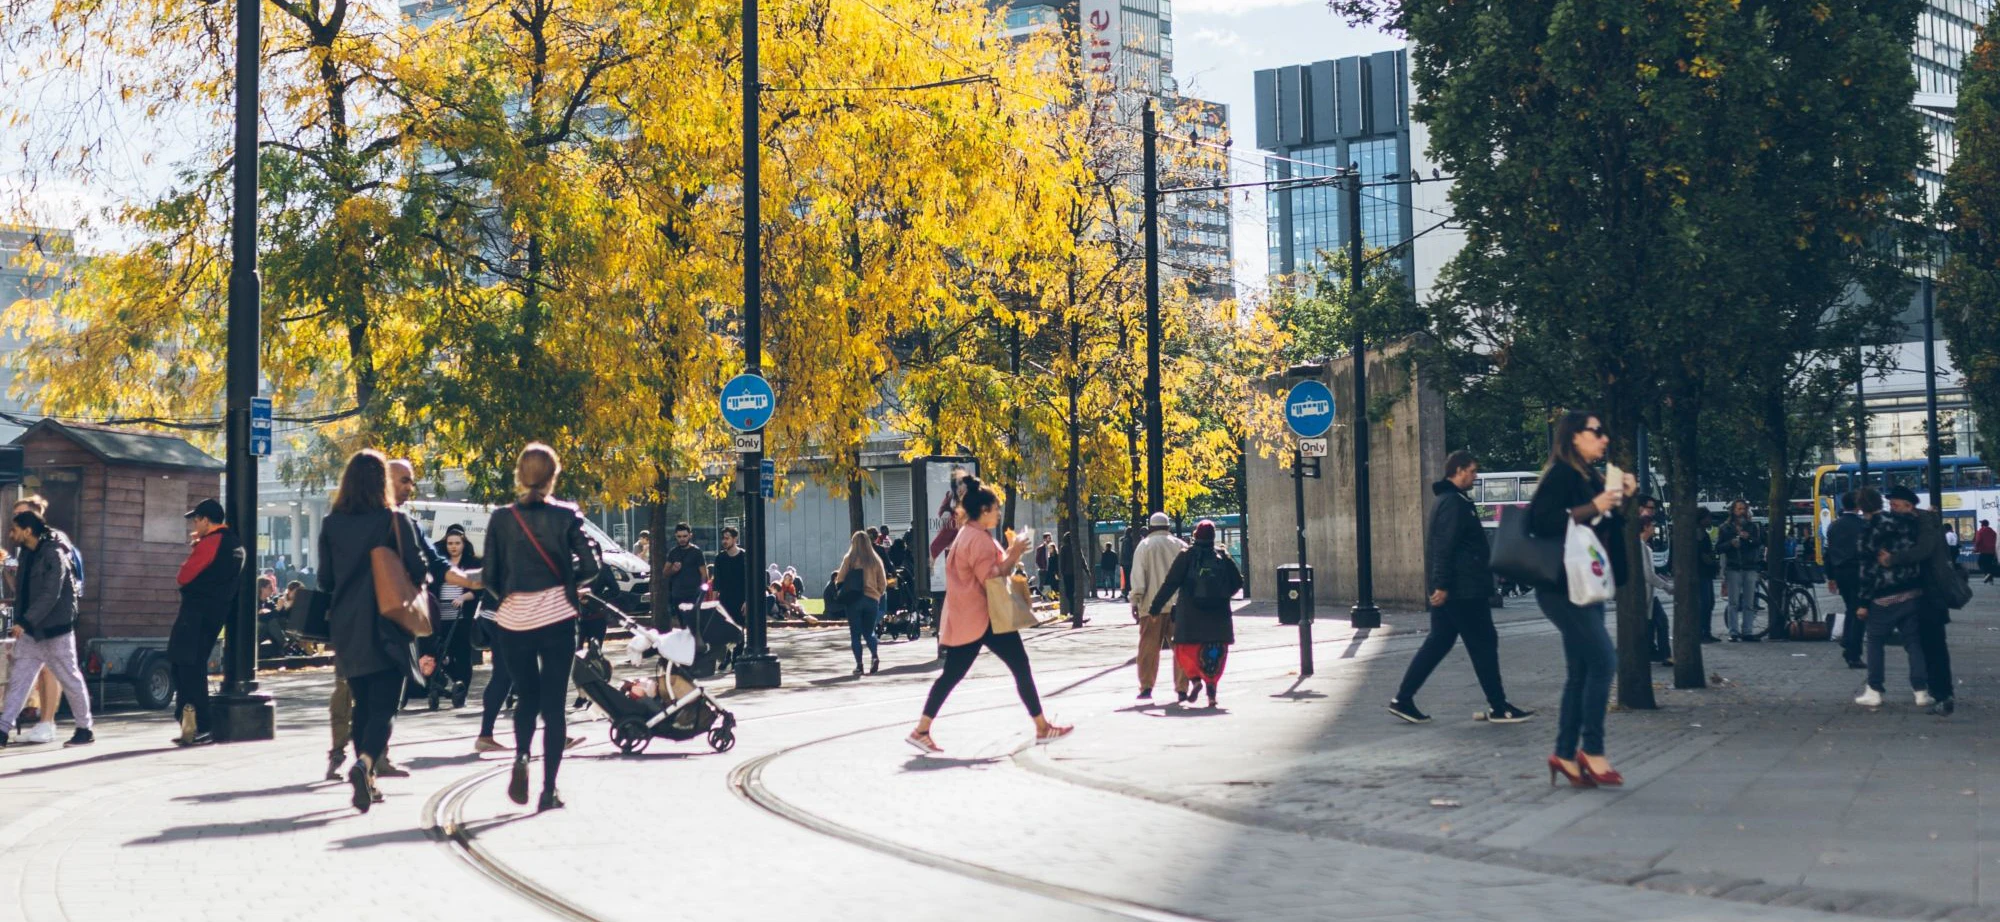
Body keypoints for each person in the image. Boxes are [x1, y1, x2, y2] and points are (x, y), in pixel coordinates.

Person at [907, 476, 1070, 752]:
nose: (997, 514)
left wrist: (1009, 552)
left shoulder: (967, 535)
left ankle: (922, 728)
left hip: (971, 617)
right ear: (983, 511)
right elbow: (990, 577)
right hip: (985, 617)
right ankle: (1042, 728)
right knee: (1018, 667)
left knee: (952, 675)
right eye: (995, 509)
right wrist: (1015, 553)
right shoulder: (979, 539)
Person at [480, 442, 600, 812]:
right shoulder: (567, 516)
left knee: (526, 695)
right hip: (557, 618)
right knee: (554, 703)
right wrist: (566, 580)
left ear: (519, 476)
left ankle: (520, 756)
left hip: (514, 619)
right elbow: (592, 566)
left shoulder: (501, 518)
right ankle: (549, 789)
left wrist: (511, 595)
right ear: (553, 477)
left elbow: (490, 576)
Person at [317, 450, 429, 812]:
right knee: (386, 706)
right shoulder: (393, 520)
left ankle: (369, 780)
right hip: (387, 622)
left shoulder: (332, 523)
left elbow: (325, 579)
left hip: (347, 626)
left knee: (362, 702)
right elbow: (418, 568)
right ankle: (365, 764)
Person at [1527, 411, 1633, 789]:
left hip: (1586, 583)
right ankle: (1593, 750)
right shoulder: (1562, 473)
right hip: (1562, 588)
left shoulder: (1590, 477)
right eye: (1597, 432)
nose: (1604, 439)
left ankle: (1565, 754)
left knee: (1581, 672)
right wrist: (1596, 505)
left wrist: (1616, 500)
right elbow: (1540, 521)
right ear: (1574, 436)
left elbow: (1602, 528)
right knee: (1605, 661)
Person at [1390, 450, 1534, 724]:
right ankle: (1499, 707)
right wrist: (1441, 584)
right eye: (1472, 471)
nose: (1475, 476)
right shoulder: (1453, 504)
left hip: (1457, 589)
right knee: (1484, 643)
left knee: (1439, 643)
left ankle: (1403, 699)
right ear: (1457, 470)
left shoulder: (1451, 501)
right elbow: (1444, 548)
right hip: (1464, 590)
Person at [0, 511, 93, 747]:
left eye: (15, 529)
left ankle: (84, 729)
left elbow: (51, 594)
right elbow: (24, 592)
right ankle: (2, 730)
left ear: (28, 531)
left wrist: (25, 622)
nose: (12, 534)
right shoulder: (28, 553)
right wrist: (21, 621)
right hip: (32, 632)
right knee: (19, 682)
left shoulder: (54, 552)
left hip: (56, 631)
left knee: (70, 679)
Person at [167, 498, 245, 747]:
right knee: (192, 663)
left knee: (186, 664)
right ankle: (194, 723)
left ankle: (199, 724)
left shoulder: (211, 542)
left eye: (196, 519)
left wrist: (196, 548)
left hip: (196, 612)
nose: (194, 523)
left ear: (206, 520)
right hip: (216, 612)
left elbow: (184, 575)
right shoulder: (235, 544)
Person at [1876, 487, 1957, 715]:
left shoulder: (1925, 523)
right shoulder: (1915, 521)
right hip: (1917, 593)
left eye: (1895, 505)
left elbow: (1924, 551)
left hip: (1929, 595)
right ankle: (1936, 691)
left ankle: (1942, 693)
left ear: (1909, 505)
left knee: (1933, 645)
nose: (1892, 509)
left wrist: (1892, 560)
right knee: (1924, 643)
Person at [1146, 520, 1242, 708]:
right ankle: (1212, 693)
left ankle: (1195, 680)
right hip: (1218, 617)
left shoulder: (1187, 555)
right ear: (1213, 537)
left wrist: (1155, 608)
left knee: (1183, 649)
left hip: (1190, 615)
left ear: (1196, 535)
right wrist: (1222, 595)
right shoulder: (1222, 555)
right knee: (1214, 653)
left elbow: (1170, 583)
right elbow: (1238, 581)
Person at [1853, 486, 1931, 709]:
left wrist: (1862, 602)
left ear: (1860, 507)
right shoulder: (1902, 522)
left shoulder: (1868, 530)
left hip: (1883, 595)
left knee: (1875, 642)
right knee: (1913, 642)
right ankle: (1920, 690)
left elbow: (1866, 569)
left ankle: (1875, 688)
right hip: (1911, 590)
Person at [1127, 513, 1187, 702]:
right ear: (1168, 527)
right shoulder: (1180, 545)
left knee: (1148, 649)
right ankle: (1182, 688)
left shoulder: (1144, 546)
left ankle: (1146, 687)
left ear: (1150, 527)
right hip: (1178, 607)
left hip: (1151, 606)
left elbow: (1138, 579)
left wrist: (1135, 601)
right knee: (1180, 648)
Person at [431, 524, 482, 707]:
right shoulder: (440, 564)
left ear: (463, 544)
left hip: (462, 617)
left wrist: (463, 597)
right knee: (440, 653)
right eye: (450, 543)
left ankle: (463, 691)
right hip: (441, 616)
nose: (453, 546)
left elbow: (478, 590)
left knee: (462, 654)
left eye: (457, 543)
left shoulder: (473, 563)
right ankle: (453, 682)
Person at [1824, 492, 1869, 669]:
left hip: (1840, 571)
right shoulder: (1862, 525)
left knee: (1851, 607)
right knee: (1860, 612)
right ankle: (1853, 651)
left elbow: (1829, 553)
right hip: (1858, 571)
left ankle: (1848, 640)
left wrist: (1831, 576)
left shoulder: (1834, 526)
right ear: (1857, 505)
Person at [834, 531, 887, 675]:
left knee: (855, 634)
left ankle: (859, 665)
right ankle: (874, 655)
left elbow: (840, 579)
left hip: (854, 600)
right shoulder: (875, 560)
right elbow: (883, 583)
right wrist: (877, 594)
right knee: (869, 632)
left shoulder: (850, 558)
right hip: (872, 600)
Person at [1718, 500, 1764, 642]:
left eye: (1744, 509)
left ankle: (1747, 631)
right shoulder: (1725, 528)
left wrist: (1748, 538)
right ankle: (1734, 632)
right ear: (1733, 511)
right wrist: (1730, 544)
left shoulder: (1752, 527)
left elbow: (1758, 542)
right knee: (1733, 602)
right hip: (1734, 567)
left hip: (1749, 567)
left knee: (1749, 602)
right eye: (1739, 509)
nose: (1741, 511)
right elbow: (1719, 547)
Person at [662, 522, 706, 627]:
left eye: (685, 536)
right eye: (679, 536)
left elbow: (704, 574)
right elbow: (664, 573)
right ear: (676, 536)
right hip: (678, 595)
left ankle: (695, 642)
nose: (682, 539)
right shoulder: (673, 552)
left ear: (690, 535)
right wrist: (673, 569)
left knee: (692, 624)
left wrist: (702, 594)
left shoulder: (696, 552)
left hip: (693, 595)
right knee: (682, 624)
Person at [1694, 508, 1721, 642]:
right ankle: (1703, 632)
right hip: (1702, 573)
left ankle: (1705, 631)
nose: (1710, 520)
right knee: (1706, 603)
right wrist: (1713, 563)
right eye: (1708, 518)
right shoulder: (1700, 534)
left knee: (1707, 603)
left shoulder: (1701, 532)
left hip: (1703, 573)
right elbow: (1703, 555)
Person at [712, 526, 748, 625]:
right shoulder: (720, 558)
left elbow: (748, 581)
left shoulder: (744, 556)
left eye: (727, 538)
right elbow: (716, 582)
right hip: (724, 600)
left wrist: (747, 601)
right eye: (723, 538)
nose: (724, 541)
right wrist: (714, 602)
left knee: (739, 633)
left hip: (740, 600)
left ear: (735, 538)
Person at [1975, 519, 1997, 584]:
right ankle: (1990, 580)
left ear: (1982, 524)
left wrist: (1976, 549)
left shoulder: (1981, 531)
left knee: (1980, 563)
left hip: (1984, 551)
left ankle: (1987, 575)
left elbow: (1978, 541)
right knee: (1989, 565)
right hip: (1992, 551)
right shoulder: (1993, 532)